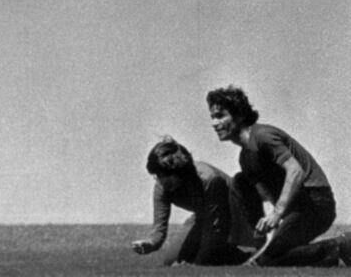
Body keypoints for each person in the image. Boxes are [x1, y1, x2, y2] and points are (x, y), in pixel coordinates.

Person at [206, 85, 348, 267]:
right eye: (212, 117)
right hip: (295, 208)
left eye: (220, 116)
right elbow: (264, 195)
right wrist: (265, 230)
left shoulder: (263, 136)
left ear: (239, 115)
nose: (214, 124)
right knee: (240, 181)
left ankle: (338, 246)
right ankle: (320, 255)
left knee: (267, 261)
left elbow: (296, 171)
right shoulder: (245, 157)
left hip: (316, 205)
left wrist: (277, 213)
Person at [132, 137, 251, 266]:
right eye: (157, 176)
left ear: (180, 172)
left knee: (203, 258)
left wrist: (196, 265)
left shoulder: (209, 179)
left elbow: (216, 227)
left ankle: (246, 257)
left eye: (164, 176)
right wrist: (151, 244)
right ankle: (228, 253)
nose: (161, 181)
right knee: (171, 261)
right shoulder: (161, 186)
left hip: (236, 214)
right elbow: (159, 228)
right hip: (204, 217)